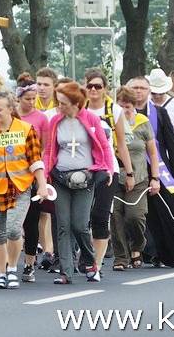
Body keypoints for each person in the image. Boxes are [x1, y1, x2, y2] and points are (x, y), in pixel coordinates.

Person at [0, 91, 49, 289]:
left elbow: (35, 160)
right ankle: (1, 274)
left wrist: (41, 185)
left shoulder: (25, 129)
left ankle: (13, 268)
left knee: (14, 229)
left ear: (10, 109)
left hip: (20, 187)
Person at [43, 82, 114, 284]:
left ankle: (91, 262)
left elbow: (104, 146)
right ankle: (66, 271)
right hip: (61, 178)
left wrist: (107, 169)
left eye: (63, 102)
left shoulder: (91, 119)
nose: (59, 106)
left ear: (75, 103)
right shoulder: (55, 121)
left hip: (86, 177)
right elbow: (49, 149)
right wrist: (47, 173)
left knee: (79, 225)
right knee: (63, 225)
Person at [128, 76, 174, 267]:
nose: (138, 91)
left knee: (167, 213)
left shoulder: (160, 113)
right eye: (135, 88)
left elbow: (172, 143)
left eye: (142, 88)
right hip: (134, 169)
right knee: (140, 214)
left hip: (161, 170)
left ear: (149, 91)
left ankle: (171, 255)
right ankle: (145, 252)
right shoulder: (122, 113)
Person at [84, 68, 135, 274]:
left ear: (105, 89)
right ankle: (85, 255)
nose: (94, 90)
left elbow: (121, 144)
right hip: (83, 169)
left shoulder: (113, 110)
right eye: (90, 86)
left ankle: (96, 263)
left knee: (100, 214)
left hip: (108, 169)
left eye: (98, 86)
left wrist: (129, 173)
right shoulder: (80, 109)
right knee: (82, 217)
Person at [111, 87, 161, 270]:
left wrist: (155, 177)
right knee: (115, 217)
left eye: (128, 106)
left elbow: (153, 153)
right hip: (116, 177)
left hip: (139, 176)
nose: (125, 109)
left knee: (134, 216)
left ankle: (137, 246)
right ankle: (120, 258)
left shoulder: (142, 122)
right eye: (121, 105)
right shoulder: (111, 123)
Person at [147, 68, 174, 248]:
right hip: (148, 159)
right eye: (154, 92)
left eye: (160, 92)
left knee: (172, 205)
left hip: (168, 160)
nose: (157, 96)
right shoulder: (146, 104)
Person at [16, 75, 53, 282]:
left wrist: (43, 177)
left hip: (33, 174)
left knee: (32, 221)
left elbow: (45, 149)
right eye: (27, 98)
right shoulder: (12, 116)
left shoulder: (41, 118)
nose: (31, 102)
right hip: (11, 175)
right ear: (19, 98)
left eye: (33, 98)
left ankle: (29, 263)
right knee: (10, 222)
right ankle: (5, 261)